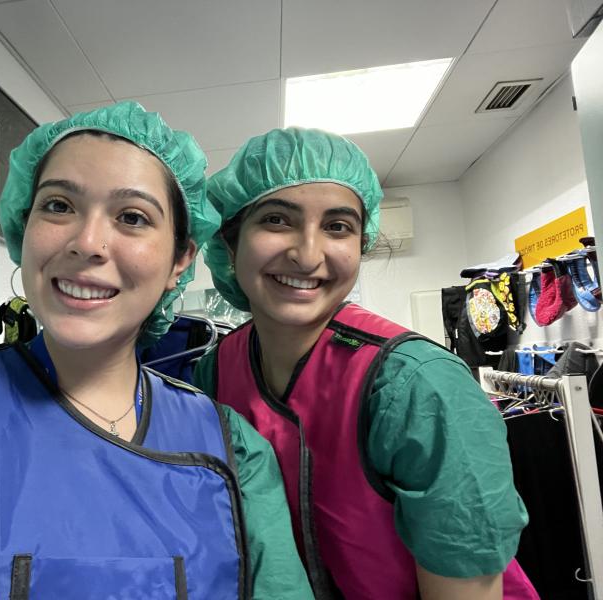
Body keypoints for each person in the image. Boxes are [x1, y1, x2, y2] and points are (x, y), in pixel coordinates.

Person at [0, 102, 314, 600]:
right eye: (58, 205)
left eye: (132, 217)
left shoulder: (233, 451)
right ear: (23, 232)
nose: (88, 241)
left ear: (180, 258)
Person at [193, 127, 539, 600]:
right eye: (276, 220)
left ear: (362, 243)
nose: (307, 254)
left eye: (337, 227)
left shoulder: (419, 387)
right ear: (230, 246)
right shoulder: (214, 373)